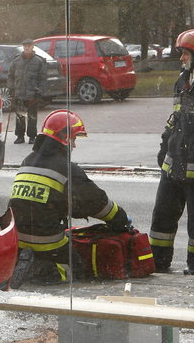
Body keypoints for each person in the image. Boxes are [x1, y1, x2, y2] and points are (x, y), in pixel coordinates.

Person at [8, 109, 131, 286]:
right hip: (47, 242)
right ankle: (43, 269)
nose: (74, 145)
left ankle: (27, 262)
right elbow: (97, 204)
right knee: (77, 269)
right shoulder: (67, 169)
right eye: (73, 139)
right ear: (64, 138)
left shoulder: (28, 161)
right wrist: (121, 219)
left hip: (17, 239)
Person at [149, 28, 194, 273]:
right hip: (173, 165)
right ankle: (158, 262)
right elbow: (175, 118)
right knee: (162, 219)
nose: (181, 59)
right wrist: (165, 144)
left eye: (185, 53)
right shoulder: (181, 81)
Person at [8, 39, 47, 144]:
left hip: (32, 94)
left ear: (33, 47)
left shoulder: (38, 61)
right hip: (19, 94)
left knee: (32, 116)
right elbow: (10, 76)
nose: (27, 48)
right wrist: (11, 88)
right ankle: (20, 136)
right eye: (25, 46)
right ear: (23, 47)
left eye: (29, 46)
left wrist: (40, 90)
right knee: (20, 116)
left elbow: (43, 78)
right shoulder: (16, 61)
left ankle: (32, 137)